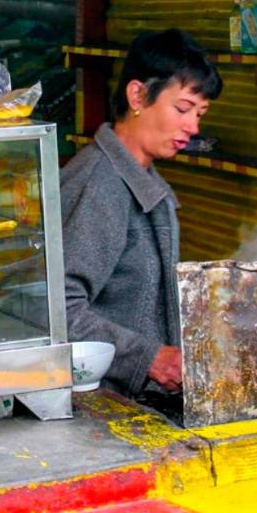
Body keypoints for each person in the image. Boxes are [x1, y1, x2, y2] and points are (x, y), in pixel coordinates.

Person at [61, 28, 222, 397]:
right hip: (100, 404)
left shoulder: (141, 177)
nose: (193, 127)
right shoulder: (100, 184)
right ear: (137, 95)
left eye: (200, 113)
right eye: (182, 108)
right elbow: (57, 310)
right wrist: (147, 357)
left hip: (133, 401)